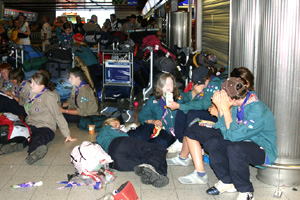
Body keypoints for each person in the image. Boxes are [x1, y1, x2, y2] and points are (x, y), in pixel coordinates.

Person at [204, 77, 277, 200]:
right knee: (213, 142)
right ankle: (227, 182)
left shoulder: (258, 110)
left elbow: (233, 136)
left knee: (235, 148)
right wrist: (223, 110)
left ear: (231, 99)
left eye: (223, 97)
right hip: (242, 142)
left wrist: (225, 110)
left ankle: (246, 191)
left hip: (263, 149)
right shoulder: (239, 104)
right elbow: (226, 132)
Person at [96, 118, 169, 188]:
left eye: (118, 125)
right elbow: (125, 136)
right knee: (158, 148)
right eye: (115, 124)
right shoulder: (106, 127)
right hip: (119, 144)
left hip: (116, 162)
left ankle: (157, 176)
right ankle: (160, 173)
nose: (117, 127)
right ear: (106, 123)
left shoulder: (100, 138)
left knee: (144, 162)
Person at [24, 73, 77, 164]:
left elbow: (57, 115)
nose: (30, 85)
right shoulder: (31, 94)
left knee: (39, 138)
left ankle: (34, 153)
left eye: (33, 83)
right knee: (17, 132)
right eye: (31, 82)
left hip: (44, 126)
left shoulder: (48, 96)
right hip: (30, 124)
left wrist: (67, 134)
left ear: (42, 86)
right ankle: (15, 145)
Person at [166, 66, 222, 152]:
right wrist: (194, 92)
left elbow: (204, 104)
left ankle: (194, 143)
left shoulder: (215, 84)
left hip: (214, 115)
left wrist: (180, 106)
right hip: (201, 110)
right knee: (182, 112)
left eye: (200, 83)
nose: (198, 85)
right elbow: (185, 98)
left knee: (191, 113)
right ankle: (180, 141)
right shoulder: (200, 83)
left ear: (207, 79)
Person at [128, 73, 190, 148]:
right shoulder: (154, 99)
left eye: (170, 83)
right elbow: (142, 115)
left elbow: (191, 102)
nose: (168, 86)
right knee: (139, 136)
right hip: (153, 125)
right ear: (160, 86)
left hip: (168, 131)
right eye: (165, 83)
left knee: (159, 144)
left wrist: (178, 105)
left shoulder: (181, 97)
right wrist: (152, 121)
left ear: (173, 85)